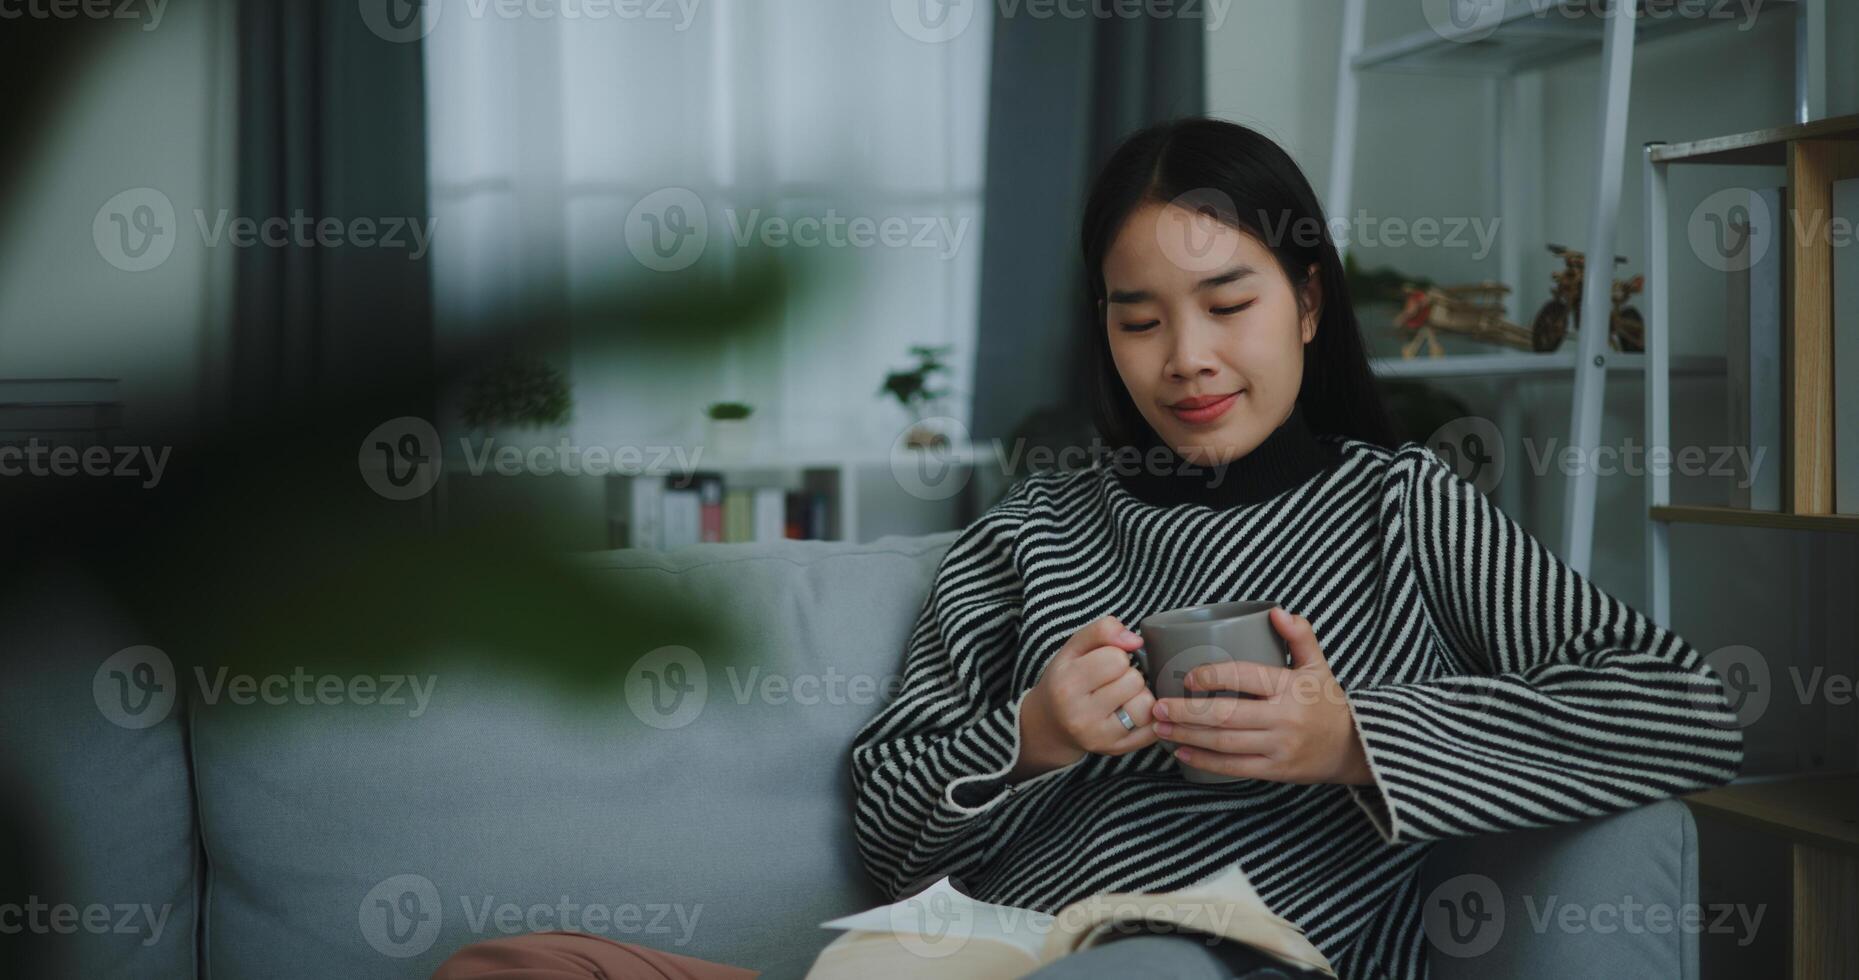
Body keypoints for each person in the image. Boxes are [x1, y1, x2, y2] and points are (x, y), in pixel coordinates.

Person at [844, 115, 1744, 979]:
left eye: (1228, 304)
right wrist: (1032, 735)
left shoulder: (1401, 509)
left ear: (1307, 302)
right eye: (1140, 321)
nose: (1187, 357)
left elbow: (1686, 711)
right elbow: (883, 828)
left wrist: (1351, 736)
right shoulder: (1029, 533)